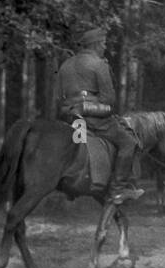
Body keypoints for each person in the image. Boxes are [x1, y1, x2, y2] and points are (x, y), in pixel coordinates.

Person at [55, 27, 142, 203]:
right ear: (94, 45)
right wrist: (88, 107)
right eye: (103, 43)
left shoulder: (65, 65)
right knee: (129, 143)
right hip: (94, 120)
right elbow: (109, 101)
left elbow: (58, 96)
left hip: (68, 117)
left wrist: (73, 107)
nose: (104, 47)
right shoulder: (99, 64)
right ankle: (118, 189)